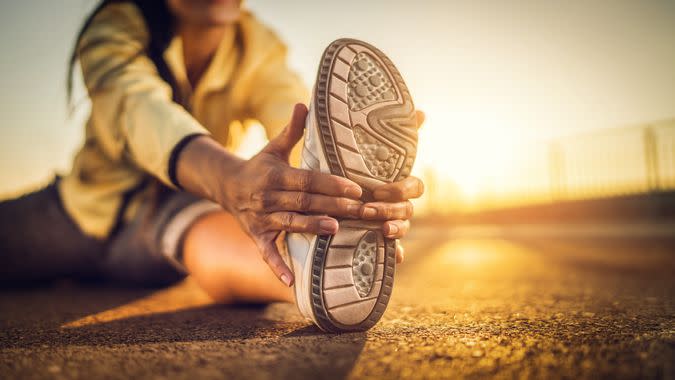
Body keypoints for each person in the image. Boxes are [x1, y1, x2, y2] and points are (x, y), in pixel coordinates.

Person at [0, 0, 423, 319]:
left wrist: (327, 191)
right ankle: (313, 258)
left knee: (219, 237)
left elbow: (294, 116)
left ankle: (310, 269)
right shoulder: (114, 27)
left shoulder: (259, 45)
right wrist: (234, 180)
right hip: (77, 210)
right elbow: (139, 110)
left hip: (178, 207)